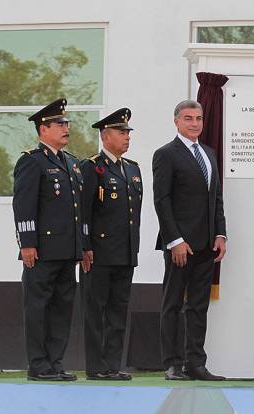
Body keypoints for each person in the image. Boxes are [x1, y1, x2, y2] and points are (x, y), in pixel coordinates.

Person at [12, 98, 87, 381]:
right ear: (43, 129)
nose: (66, 128)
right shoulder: (32, 161)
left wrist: (82, 246)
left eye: (67, 123)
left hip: (68, 251)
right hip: (42, 251)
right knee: (38, 308)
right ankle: (38, 365)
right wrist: (27, 244)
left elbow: (78, 210)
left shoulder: (70, 163)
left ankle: (55, 362)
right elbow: (24, 205)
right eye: (60, 124)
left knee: (61, 309)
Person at [153, 100, 227, 381]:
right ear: (176, 122)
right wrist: (175, 240)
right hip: (180, 247)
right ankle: (172, 363)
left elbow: (216, 198)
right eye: (188, 118)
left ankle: (195, 363)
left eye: (198, 118)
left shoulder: (208, 153)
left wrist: (220, 234)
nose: (194, 123)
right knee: (172, 304)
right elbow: (162, 201)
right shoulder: (166, 154)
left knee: (198, 306)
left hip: (207, 246)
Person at [80, 108, 142, 380]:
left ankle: (113, 365)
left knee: (118, 310)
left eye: (128, 132)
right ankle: (96, 367)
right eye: (121, 132)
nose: (127, 137)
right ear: (106, 136)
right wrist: (84, 246)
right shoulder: (92, 166)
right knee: (96, 311)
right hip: (99, 253)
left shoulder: (131, 169)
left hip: (125, 252)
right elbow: (83, 211)